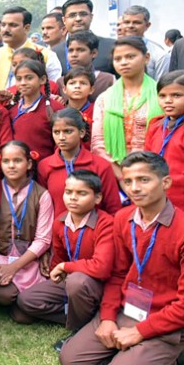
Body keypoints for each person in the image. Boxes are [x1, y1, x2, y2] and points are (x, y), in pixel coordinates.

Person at [59, 152, 184, 364]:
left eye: (143, 180)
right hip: (127, 309)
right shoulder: (122, 218)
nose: (134, 188)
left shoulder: (180, 228)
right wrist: (107, 317)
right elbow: (117, 274)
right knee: (70, 358)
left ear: (166, 182)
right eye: (127, 181)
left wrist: (141, 332)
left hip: (166, 319)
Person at [18, 170, 114, 352]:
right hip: (71, 281)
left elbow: (102, 267)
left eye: (82, 193)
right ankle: (88, 320)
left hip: (96, 284)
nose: (73, 198)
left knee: (78, 281)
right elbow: (60, 257)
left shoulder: (106, 223)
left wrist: (64, 266)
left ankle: (78, 329)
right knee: (27, 300)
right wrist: (57, 270)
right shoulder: (60, 223)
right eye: (68, 192)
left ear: (97, 198)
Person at [0, 141, 54, 323]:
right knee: (5, 295)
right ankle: (15, 300)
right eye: (6, 161)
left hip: (27, 262)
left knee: (23, 316)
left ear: (29, 164)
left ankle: (23, 304)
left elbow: (43, 239)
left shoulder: (42, 194)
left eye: (17, 160)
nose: (11, 166)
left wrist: (14, 268)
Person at [92, 37, 164, 179]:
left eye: (130, 56)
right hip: (116, 175)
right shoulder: (104, 99)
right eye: (118, 59)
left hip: (158, 173)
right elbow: (98, 144)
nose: (124, 62)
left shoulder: (162, 96)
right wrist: (123, 178)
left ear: (146, 58)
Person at [39, 108, 121, 217]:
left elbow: (113, 208)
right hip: (58, 232)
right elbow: (44, 209)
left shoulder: (101, 165)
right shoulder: (45, 166)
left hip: (96, 231)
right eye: (56, 132)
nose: (61, 137)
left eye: (68, 131)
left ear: (81, 132)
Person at [0, 7, 62, 92]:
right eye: (3, 25)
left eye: (13, 25)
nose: (6, 29)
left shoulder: (46, 55)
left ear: (26, 28)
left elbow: (54, 90)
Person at [9, 60, 65, 161]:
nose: (23, 83)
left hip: (45, 167)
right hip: (18, 167)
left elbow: (60, 144)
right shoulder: (12, 109)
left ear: (42, 79)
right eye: (19, 79)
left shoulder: (54, 108)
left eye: (29, 78)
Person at [144, 70, 184, 209]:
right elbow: (147, 159)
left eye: (176, 95)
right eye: (162, 96)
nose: (168, 100)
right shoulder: (156, 124)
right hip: (158, 197)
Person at [54, 0, 116, 77]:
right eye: (72, 15)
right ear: (64, 20)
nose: (78, 19)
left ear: (91, 17)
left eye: (83, 14)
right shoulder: (55, 53)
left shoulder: (111, 46)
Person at [57, 30, 116, 102]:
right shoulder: (61, 82)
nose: (74, 55)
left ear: (94, 53)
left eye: (80, 50)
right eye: (70, 50)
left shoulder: (106, 80)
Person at [121, 6, 169, 80]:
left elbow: (162, 87)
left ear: (147, 25)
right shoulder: (111, 49)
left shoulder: (159, 54)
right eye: (126, 22)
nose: (130, 26)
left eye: (136, 22)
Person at [62, 67, 96, 132]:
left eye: (83, 83)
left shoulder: (97, 111)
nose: (77, 86)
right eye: (72, 83)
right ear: (64, 89)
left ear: (91, 89)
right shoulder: (57, 110)